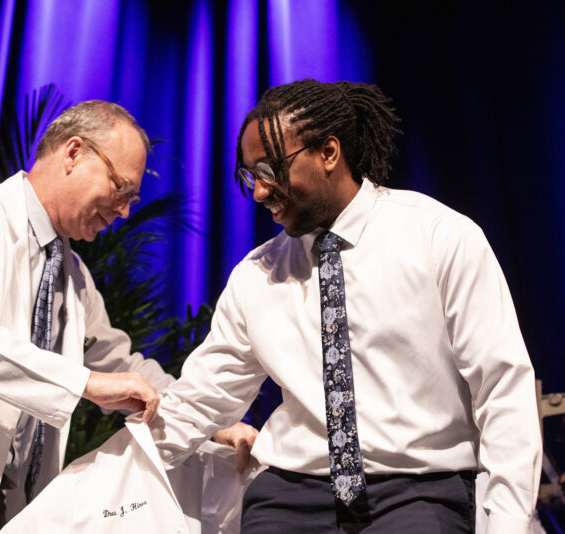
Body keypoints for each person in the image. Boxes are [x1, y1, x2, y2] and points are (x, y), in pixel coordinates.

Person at [151, 80, 542, 533]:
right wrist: (97, 486)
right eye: (249, 176)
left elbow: (502, 388)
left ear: (329, 153)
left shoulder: (439, 237)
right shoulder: (257, 275)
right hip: (291, 494)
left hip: (418, 489)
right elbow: (201, 400)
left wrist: (508, 523)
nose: (259, 191)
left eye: (268, 169)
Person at [0, 100, 255, 533]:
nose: (124, 212)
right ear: (74, 152)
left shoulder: (72, 274)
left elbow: (122, 366)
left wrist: (210, 421)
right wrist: (84, 383)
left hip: (13, 510)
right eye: (121, 189)